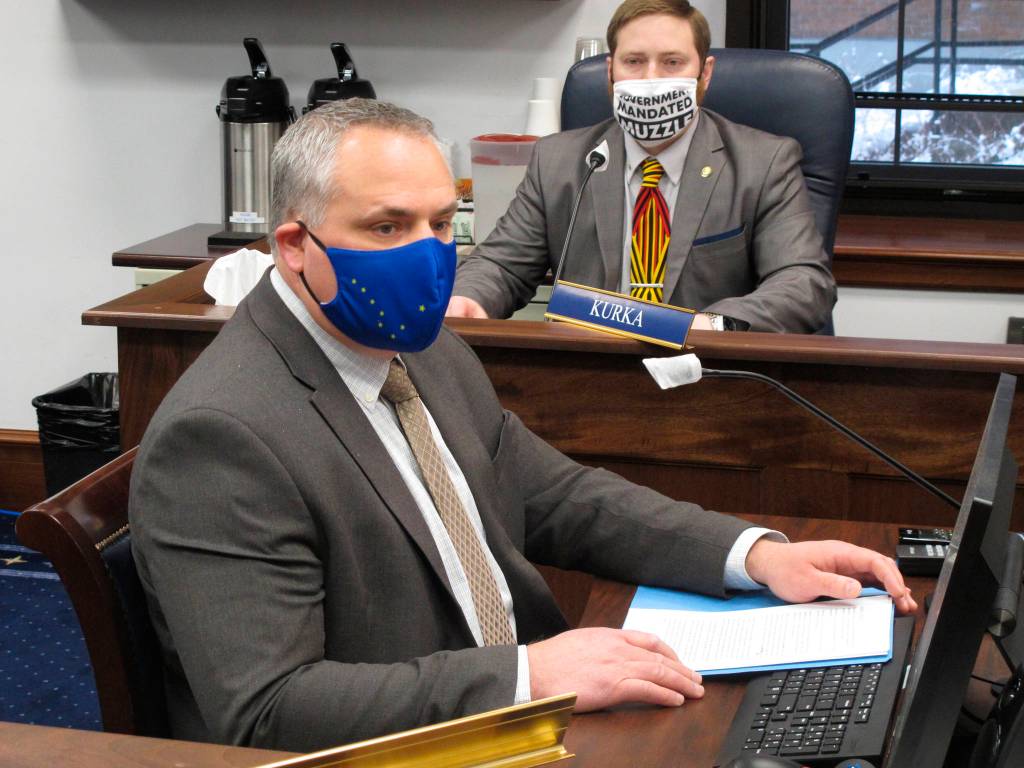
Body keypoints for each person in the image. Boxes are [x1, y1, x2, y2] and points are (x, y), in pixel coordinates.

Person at [128, 98, 913, 753]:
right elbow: (271, 709)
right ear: (295, 247)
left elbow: (557, 496)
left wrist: (754, 554)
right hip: (431, 745)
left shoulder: (418, 347)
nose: (428, 256)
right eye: (387, 227)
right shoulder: (221, 437)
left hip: (525, 717)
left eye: (441, 225)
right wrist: (531, 677)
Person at [449, 0, 836, 334]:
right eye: (634, 62)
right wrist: (469, 299)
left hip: (705, 374)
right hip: (586, 374)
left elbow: (804, 283)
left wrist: (714, 325)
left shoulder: (764, 163)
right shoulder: (558, 161)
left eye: (672, 62)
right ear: (610, 72)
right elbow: (501, 264)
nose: (651, 79)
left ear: (705, 73)